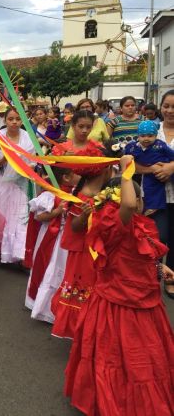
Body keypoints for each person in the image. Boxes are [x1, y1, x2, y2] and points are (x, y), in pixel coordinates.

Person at [64, 169, 174, 416]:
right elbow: (126, 204)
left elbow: (140, 255)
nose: (140, 202)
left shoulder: (136, 226)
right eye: (137, 198)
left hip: (142, 301)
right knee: (125, 356)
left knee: (136, 356)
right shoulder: (114, 227)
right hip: (119, 306)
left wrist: (159, 266)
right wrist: (126, 170)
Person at [50, 146, 116, 339]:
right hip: (83, 252)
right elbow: (75, 227)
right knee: (85, 289)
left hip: (98, 251)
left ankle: (94, 329)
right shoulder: (81, 196)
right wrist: (85, 215)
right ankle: (84, 330)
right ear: (104, 170)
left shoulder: (108, 194)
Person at [24, 167, 79, 323]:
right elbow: (39, 216)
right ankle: (43, 307)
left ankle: (61, 306)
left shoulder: (76, 191)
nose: (79, 176)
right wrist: (57, 211)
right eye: (76, 173)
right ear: (66, 178)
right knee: (49, 269)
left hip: (68, 238)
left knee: (64, 270)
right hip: (51, 237)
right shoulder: (50, 193)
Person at [137, 90, 174, 299]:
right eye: (166, 106)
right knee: (156, 238)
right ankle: (149, 277)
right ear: (160, 107)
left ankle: (172, 279)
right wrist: (153, 170)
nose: (170, 111)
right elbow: (133, 162)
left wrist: (171, 168)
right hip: (153, 198)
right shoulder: (149, 129)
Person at [0, 108, 36, 265]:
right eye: (10, 119)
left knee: (20, 218)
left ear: (22, 120)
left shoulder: (28, 138)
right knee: (4, 218)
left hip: (22, 184)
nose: (14, 122)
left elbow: (32, 161)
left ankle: (19, 254)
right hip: (4, 185)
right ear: (5, 121)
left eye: (17, 118)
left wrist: (23, 165)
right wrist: (4, 159)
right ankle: (0, 250)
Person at [125, 120, 174, 216]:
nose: (146, 139)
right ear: (138, 136)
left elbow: (172, 155)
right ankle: (150, 206)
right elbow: (127, 158)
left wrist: (169, 166)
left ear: (156, 136)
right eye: (143, 136)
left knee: (156, 187)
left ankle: (154, 206)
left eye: (150, 136)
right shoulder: (134, 147)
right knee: (148, 187)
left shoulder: (160, 145)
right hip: (147, 173)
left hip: (163, 169)